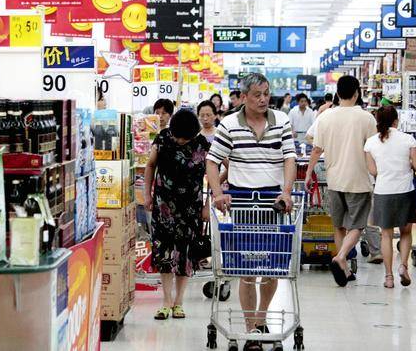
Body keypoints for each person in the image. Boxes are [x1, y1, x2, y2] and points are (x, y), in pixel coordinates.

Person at [206, 73, 296, 349]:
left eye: (266, 93)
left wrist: (287, 191)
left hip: (273, 201)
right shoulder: (229, 125)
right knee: (246, 268)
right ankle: (250, 327)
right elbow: (212, 162)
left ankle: (260, 318)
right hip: (242, 202)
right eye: (257, 94)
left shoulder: (281, 121)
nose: (263, 99)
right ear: (243, 97)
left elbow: (289, 158)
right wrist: (219, 193)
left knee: (272, 266)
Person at [305, 75, 376, 287]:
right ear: (357, 93)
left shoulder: (326, 117)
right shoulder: (366, 118)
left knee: (339, 226)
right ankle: (341, 257)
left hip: (333, 179)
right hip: (359, 180)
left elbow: (317, 148)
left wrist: (309, 173)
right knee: (358, 224)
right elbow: (373, 149)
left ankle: (344, 269)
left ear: (337, 94)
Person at [144, 109, 210, 320]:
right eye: (177, 136)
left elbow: (222, 169)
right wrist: (147, 194)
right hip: (163, 205)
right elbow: (150, 165)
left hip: (191, 208)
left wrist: (209, 202)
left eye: (185, 138)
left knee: (186, 253)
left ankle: (179, 302)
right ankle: (166, 301)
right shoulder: (163, 137)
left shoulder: (202, 144)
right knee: (163, 250)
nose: (180, 141)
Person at [364, 106, 416, 288]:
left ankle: (388, 277)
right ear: (396, 120)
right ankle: (403, 267)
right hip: (405, 190)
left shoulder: (371, 143)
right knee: (405, 233)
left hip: (383, 192)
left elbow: (373, 170)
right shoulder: (408, 139)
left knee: (386, 235)